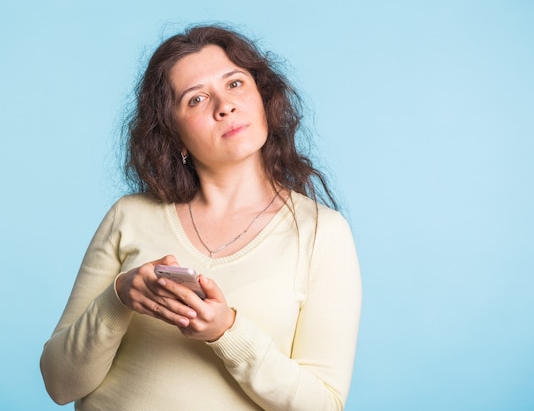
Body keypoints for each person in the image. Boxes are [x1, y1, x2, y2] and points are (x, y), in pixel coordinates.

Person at [40, 24, 361, 411]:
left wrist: (226, 331)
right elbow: (60, 384)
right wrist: (121, 296)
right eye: (196, 99)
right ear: (173, 134)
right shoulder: (129, 216)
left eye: (236, 84)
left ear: (263, 98)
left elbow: (323, 405)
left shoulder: (322, 234)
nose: (224, 105)